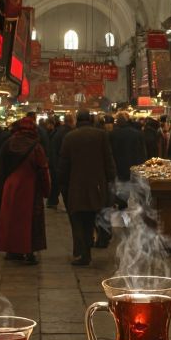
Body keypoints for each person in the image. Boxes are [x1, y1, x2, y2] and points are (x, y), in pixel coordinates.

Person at [57, 110, 116, 265]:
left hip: (76, 185)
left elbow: (64, 164)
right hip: (97, 184)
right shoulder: (101, 135)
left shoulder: (70, 137)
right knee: (91, 217)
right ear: (90, 120)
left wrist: (62, 183)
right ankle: (89, 246)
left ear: (77, 120)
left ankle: (83, 252)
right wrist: (111, 179)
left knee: (78, 219)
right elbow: (108, 158)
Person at [0, 117, 50, 264]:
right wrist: (46, 190)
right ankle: (29, 252)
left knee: (11, 218)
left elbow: (1, 168)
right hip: (30, 186)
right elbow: (43, 169)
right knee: (30, 220)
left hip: (10, 186)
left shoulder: (8, 144)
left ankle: (12, 251)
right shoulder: (36, 147)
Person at [109, 112, 147, 183]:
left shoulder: (112, 134)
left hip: (119, 168)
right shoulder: (137, 133)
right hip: (134, 167)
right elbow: (142, 152)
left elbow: (110, 152)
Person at [46, 114, 72, 208]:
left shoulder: (58, 131)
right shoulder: (68, 132)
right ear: (71, 122)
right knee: (63, 185)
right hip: (61, 161)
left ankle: (52, 201)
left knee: (55, 184)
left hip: (55, 161)